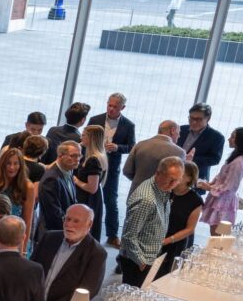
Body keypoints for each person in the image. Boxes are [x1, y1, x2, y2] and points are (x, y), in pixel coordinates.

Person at [31, 205, 107, 301]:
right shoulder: (49, 237)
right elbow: (32, 272)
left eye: (76, 221)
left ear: (89, 224)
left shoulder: (96, 254)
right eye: (67, 219)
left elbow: (86, 292)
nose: (69, 224)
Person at [119, 157, 182, 286]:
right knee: (132, 299)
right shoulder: (146, 200)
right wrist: (141, 261)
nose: (173, 184)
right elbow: (129, 235)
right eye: (170, 179)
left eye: (177, 180)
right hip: (137, 261)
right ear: (158, 173)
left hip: (150, 255)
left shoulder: (162, 189)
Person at [88, 94, 136, 246]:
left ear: (122, 108)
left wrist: (117, 147)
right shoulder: (95, 120)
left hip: (112, 167)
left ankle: (112, 235)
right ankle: (86, 230)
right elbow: (86, 139)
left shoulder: (129, 125)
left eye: (115, 106)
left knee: (111, 201)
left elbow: (131, 147)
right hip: (93, 163)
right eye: (109, 105)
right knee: (90, 198)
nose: (111, 109)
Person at [199, 126, 243, 227]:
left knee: (218, 237)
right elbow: (223, 176)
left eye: (233, 137)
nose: (229, 139)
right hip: (222, 200)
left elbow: (229, 187)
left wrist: (208, 187)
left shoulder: (239, 163)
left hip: (224, 203)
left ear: (241, 141)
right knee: (217, 235)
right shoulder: (236, 158)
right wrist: (210, 184)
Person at [156, 162, 203, 278]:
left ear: (189, 178)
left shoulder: (195, 200)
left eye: (181, 174)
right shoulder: (165, 190)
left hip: (176, 243)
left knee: (166, 276)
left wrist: (168, 240)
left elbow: (190, 229)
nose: (174, 178)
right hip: (156, 237)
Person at [0, 146, 38, 247]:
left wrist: (23, 249)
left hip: (15, 237)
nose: (12, 167)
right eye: (8, 163)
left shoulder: (28, 187)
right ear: (3, 165)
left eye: (15, 163)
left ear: (21, 165)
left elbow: (27, 222)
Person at [124, 120, 184, 193]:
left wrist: (140, 181)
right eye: (179, 132)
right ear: (172, 130)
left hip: (134, 194)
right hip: (158, 199)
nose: (179, 136)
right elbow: (177, 182)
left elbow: (127, 171)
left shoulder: (140, 144)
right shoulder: (179, 152)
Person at [178, 103, 226, 182]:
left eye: (198, 119)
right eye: (191, 118)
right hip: (174, 174)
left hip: (195, 178)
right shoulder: (181, 129)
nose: (193, 122)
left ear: (208, 118)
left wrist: (192, 159)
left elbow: (215, 159)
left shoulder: (217, 137)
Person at [75, 126, 106, 239]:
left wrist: (76, 180)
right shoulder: (99, 156)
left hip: (88, 200)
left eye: (83, 135)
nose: (80, 137)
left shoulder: (93, 160)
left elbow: (92, 188)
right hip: (91, 199)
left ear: (91, 138)